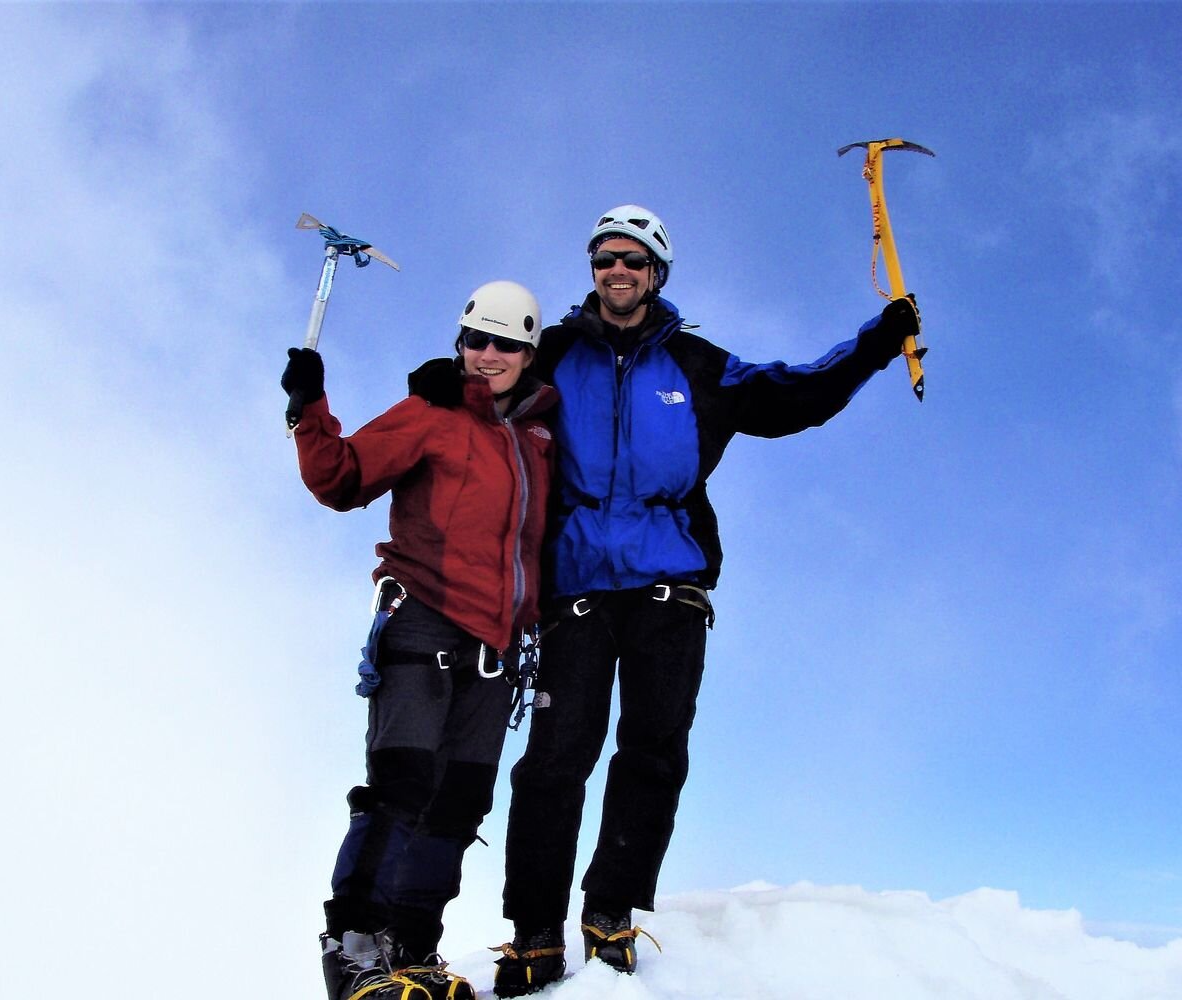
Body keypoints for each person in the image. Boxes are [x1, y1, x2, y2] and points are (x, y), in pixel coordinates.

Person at [410, 206, 923, 997]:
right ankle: (536, 932)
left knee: (653, 754)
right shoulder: (552, 355)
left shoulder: (697, 363)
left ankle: (609, 911)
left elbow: (796, 395)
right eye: (604, 258)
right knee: (553, 761)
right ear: (593, 269)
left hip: (669, 592)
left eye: (634, 260)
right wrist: (446, 382)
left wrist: (878, 344)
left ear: (657, 272)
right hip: (575, 590)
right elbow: (489, 376)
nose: (617, 271)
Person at [284, 280, 559, 1000]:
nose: (488, 355)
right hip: (425, 625)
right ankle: (353, 953)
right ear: (460, 341)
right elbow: (338, 478)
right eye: (477, 340)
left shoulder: (537, 439)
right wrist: (308, 407)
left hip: (497, 654)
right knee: (402, 788)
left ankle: (412, 952)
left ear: (531, 354)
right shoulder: (431, 412)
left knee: (460, 805)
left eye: (506, 344)